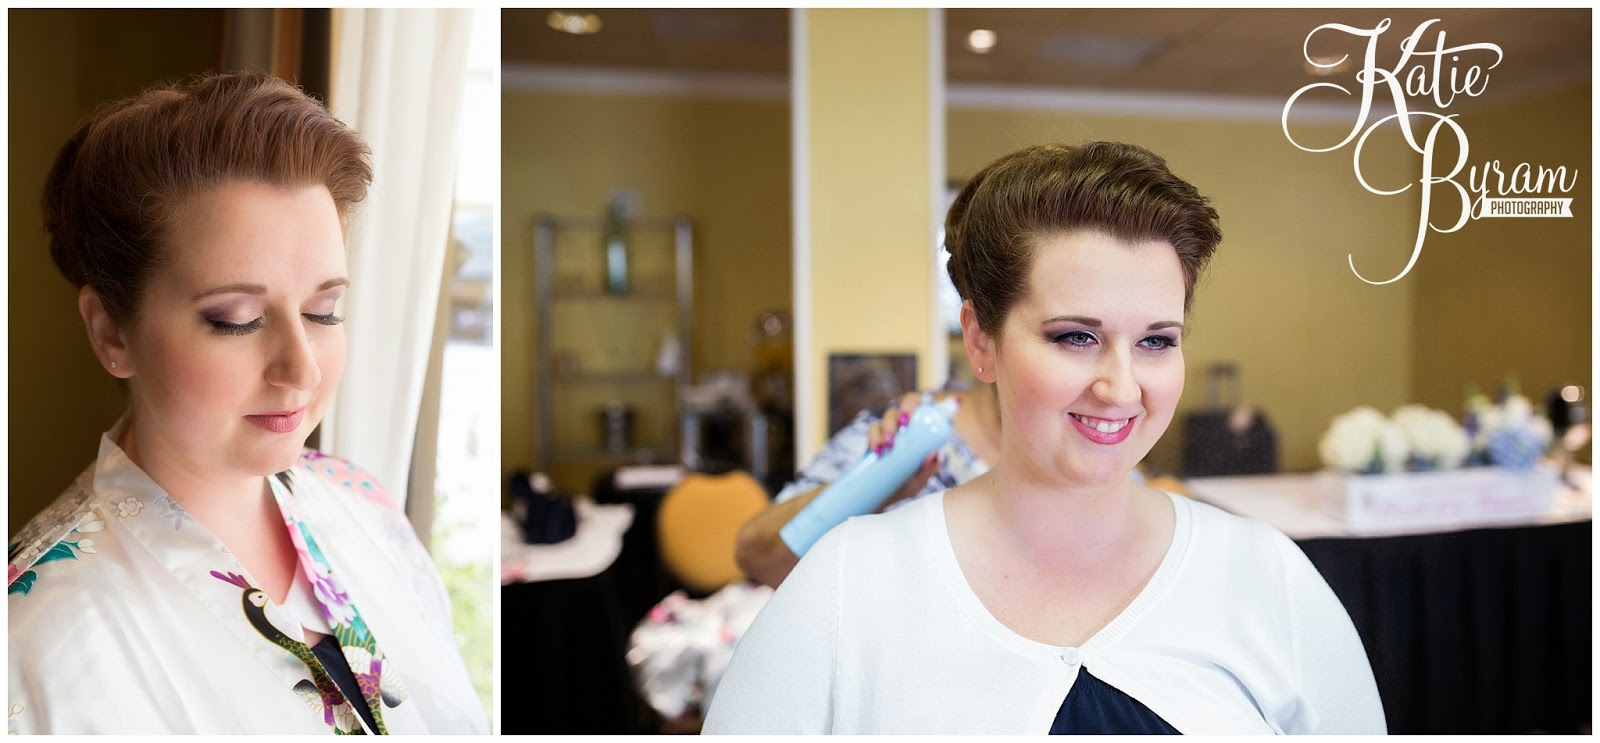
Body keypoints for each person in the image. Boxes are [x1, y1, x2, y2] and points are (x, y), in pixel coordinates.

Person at [704, 141, 1385, 734]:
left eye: (1155, 340)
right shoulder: (847, 580)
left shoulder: (1267, 576)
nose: (1122, 387)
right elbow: (760, 553)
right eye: (1075, 336)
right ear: (981, 340)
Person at [7, 72, 488, 735]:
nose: (301, 366)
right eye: (235, 319)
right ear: (111, 331)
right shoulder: (36, 638)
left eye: (325, 310)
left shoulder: (361, 502)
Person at [735, 384, 1001, 588]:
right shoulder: (916, 429)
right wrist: (875, 483)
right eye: (1045, 336)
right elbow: (758, 555)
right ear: (979, 341)